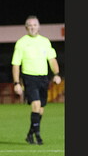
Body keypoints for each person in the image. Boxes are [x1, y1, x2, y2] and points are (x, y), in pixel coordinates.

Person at [11, 15, 62, 145]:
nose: (33, 28)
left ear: (38, 27)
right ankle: (38, 136)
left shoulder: (45, 41)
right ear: (26, 27)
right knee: (36, 104)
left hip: (43, 78)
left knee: (41, 108)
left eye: (35, 25)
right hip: (29, 77)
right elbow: (16, 64)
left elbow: (52, 59)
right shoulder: (21, 42)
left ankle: (30, 134)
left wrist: (56, 74)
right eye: (30, 25)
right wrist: (16, 83)